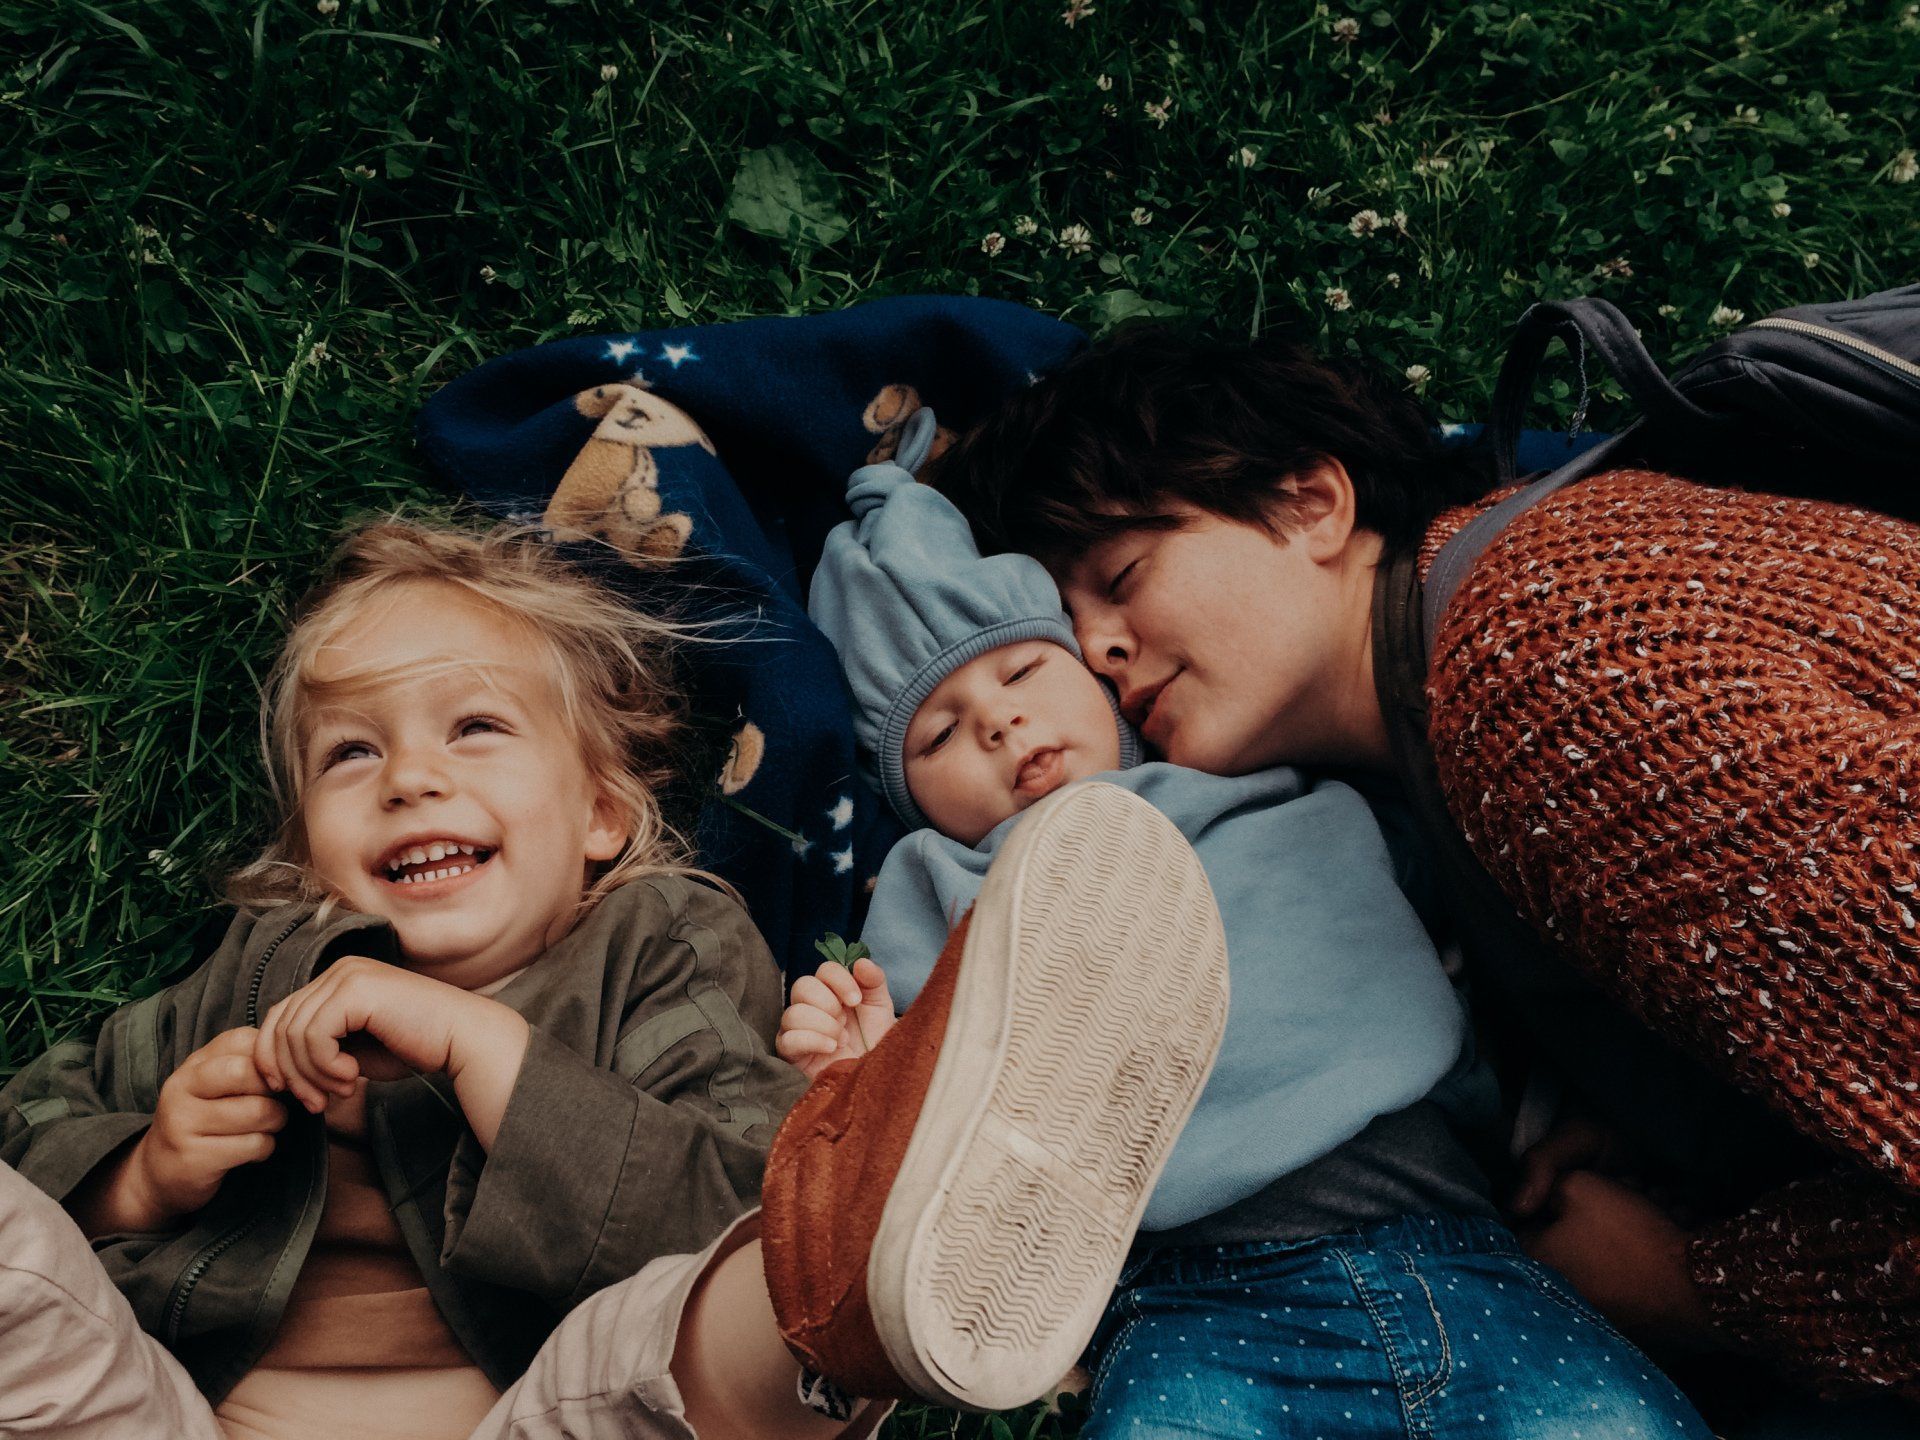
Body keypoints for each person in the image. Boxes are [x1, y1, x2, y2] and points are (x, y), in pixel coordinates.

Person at [927, 323, 1920, 1428]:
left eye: (1122, 577)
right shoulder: (1463, 701)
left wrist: (1708, 1286)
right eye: (1068, 633)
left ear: (1313, 505)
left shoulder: (1541, 665)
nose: (1101, 652)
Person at [777, 412, 1716, 1438]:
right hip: (1191, 1301)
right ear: (906, 799)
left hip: (1457, 1242)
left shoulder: (1265, 774)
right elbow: (945, 1120)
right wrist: (871, 1080)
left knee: (1606, 1422)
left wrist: (1581, 1108)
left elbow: (1483, 942)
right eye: (941, 734)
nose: (999, 725)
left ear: (1097, 677)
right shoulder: (942, 883)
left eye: (1022, 674)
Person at [0, 519, 822, 1439]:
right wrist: (140, 1177)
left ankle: (905, 1239)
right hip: (174, 1420)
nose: (410, 779)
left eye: (475, 727)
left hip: (543, 1420)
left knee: (792, 1282)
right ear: (309, 854)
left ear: (601, 812)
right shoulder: (262, 967)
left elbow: (734, 1207)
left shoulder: (653, 945)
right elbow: (28, 1126)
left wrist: (481, 1047)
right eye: (352, 752)